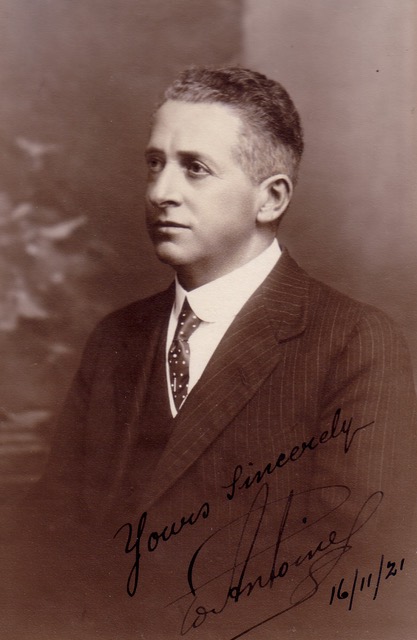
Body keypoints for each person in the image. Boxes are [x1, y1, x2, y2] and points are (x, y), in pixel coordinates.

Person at [9, 66, 417, 640]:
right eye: (155, 163)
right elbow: (52, 532)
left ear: (270, 198)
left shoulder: (354, 343)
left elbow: (353, 567)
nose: (160, 192)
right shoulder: (115, 338)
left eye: (194, 168)